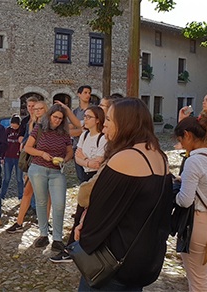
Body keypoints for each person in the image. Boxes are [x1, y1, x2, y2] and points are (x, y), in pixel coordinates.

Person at [74, 98, 173, 291]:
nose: (104, 128)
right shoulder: (159, 156)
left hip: (114, 261)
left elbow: (99, 210)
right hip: (143, 257)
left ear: (125, 123)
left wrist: (83, 232)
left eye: (109, 121)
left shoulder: (125, 158)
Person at [174, 116, 207, 292]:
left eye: (181, 140)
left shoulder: (194, 161)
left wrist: (174, 192)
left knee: (198, 282)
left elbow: (185, 200)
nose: (181, 145)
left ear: (188, 135)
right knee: (199, 277)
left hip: (197, 224)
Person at [53, 106, 106, 262]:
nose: (85, 119)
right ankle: (74, 248)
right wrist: (88, 160)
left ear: (97, 120)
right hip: (86, 175)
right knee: (81, 212)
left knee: (86, 213)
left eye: (89, 117)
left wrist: (85, 159)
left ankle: (74, 250)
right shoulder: (84, 135)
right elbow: (77, 158)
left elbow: (98, 164)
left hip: (96, 177)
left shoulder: (103, 138)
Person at [24, 104, 73, 253]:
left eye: (60, 118)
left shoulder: (64, 133)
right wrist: (42, 154)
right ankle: (43, 234)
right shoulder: (39, 128)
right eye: (55, 117)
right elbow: (28, 148)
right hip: (38, 168)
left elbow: (70, 151)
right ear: (50, 116)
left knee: (59, 204)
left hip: (57, 171)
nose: (57, 120)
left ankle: (57, 238)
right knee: (41, 201)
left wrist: (64, 159)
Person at [6, 101, 51, 233]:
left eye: (40, 108)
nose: (37, 111)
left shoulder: (50, 125)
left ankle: (46, 223)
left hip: (46, 161)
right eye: (35, 109)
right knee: (27, 192)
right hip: (33, 161)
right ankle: (19, 222)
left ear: (46, 110)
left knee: (46, 194)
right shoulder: (32, 124)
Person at [0, 115, 24, 200]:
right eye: (12, 124)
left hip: (18, 158)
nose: (13, 127)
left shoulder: (21, 131)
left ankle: (21, 196)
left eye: (15, 125)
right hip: (8, 157)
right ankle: (2, 196)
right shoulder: (8, 130)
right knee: (6, 178)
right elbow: (4, 144)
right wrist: (2, 157)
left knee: (19, 178)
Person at [71, 85, 92, 182]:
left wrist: (79, 130)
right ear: (79, 94)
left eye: (89, 93)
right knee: (81, 177)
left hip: (92, 147)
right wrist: (84, 130)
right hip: (78, 147)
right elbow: (69, 131)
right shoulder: (75, 113)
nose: (88, 95)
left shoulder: (94, 110)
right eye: (85, 92)